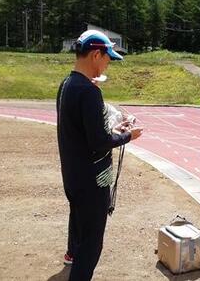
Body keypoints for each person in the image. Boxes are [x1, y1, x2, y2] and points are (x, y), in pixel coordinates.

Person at [57, 29, 143, 280]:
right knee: (92, 244)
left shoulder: (67, 84)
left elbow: (81, 132)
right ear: (96, 54)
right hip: (92, 181)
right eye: (108, 58)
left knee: (80, 229)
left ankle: (72, 254)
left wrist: (114, 128)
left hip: (72, 175)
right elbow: (99, 142)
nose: (108, 65)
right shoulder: (89, 92)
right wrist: (128, 135)